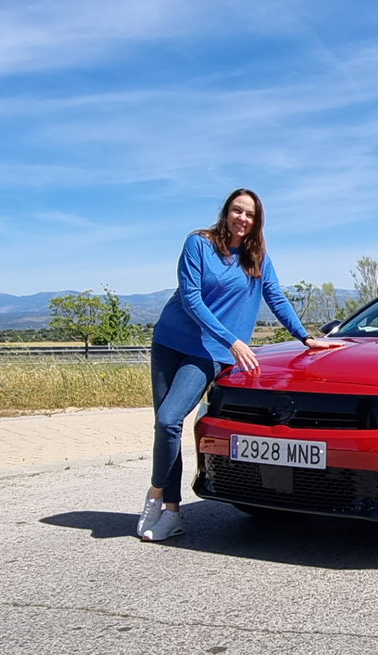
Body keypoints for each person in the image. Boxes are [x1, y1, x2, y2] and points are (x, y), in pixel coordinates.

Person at [137, 188, 339, 542]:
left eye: (249, 214)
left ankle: (155, 496)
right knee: (164, 427)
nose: (241, 218)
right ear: (226, 212)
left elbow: (275, 296)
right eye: (236, 210)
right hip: (170, 341)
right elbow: (191, 298)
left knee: (170, 419)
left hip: (208, 352)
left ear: (257, 221)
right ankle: (171, 510)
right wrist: (233, 339)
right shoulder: (199, 244)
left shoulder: (257, 256)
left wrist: (305, 337)